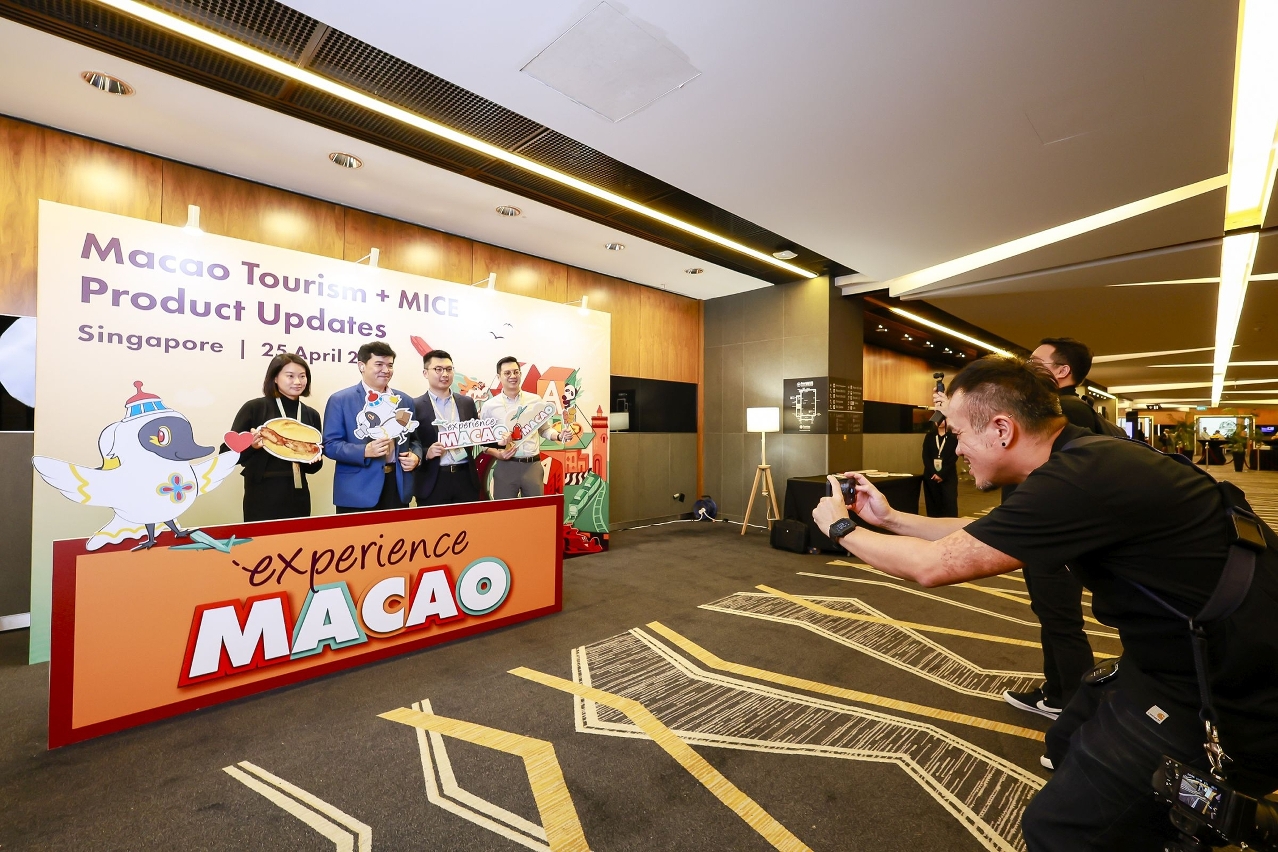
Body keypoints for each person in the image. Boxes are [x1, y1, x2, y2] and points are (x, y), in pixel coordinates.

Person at [812, 355, 1278, 852]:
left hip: (1232, 684)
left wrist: (840, 529)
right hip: (1185, 652)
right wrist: (889, 519)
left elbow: (933, 567)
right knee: (1066, 739)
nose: (956, 448)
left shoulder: (1082, 477)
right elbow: (983, 535)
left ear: (1001, 429)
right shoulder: (1085, 459)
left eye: (959, 434)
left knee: (1058, 832)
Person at [1000, 337, 1110, 724]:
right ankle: (1057, 692)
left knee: (1062, 621)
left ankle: (1076, 709)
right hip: (1043, 532)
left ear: (1062, 371)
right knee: (1051, 615)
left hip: (1055, 535)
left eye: (1036, 361)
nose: (1028, 365)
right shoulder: (1060, 408)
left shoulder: (1068, 409)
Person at [322, 341, 420, 513]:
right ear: (362, 366)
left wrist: (416, 457)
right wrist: (364, 451)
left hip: (396, 487)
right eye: (379, 364)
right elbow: (330, 445)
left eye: (390, 365)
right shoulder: (340, 400)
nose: (386, 370)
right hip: (357, 491)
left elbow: (415, 440)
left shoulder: (404, 401)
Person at [226, 353, 323, 521]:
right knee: (262, 537)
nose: (298, 381)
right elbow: (226, 454)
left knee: (298, 537)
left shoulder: (311, 414)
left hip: (298, 493)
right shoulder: (255, 408)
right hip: (262, 493)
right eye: (290, 376)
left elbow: (313, 468)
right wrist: (251, 446)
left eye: (302, 376)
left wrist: (313, 458)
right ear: (275, 378)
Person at [479, 356, 572, 499]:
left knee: (535, 510)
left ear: (520, 374)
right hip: (505, 466)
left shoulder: (535, 400)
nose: (513, 376)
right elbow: (483, 442)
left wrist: (559, 435)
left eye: (516, 372)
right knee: (505, 510)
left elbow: (544, 430)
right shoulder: (489, 406)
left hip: (532, 465)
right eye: (507, 373)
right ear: (499, 377)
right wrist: (498, 454)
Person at [413, 349, 482, 506]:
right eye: (438, 369)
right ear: (425, 373)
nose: (445, 374)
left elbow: (478, 434)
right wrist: (426, 453)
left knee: (468, 520)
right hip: (433, 480)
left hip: (465, 478)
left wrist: (500, 441)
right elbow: (410, 444)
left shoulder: (467, 403)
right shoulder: (415, 406)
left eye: (449, 369)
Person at [921, 416, 958, 517]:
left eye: (942, 419)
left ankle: (950, 524)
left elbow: (953, 457)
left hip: (948, 475)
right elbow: (925, 456)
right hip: (931, 476)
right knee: (932, 503)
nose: (939, 422)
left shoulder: (953, 437)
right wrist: (934, 473)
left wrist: (941, 474)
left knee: (949, 502)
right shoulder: (929, 436)